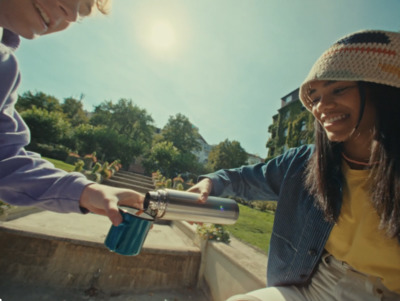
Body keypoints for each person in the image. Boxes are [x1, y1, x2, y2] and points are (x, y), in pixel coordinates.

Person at [188, 29, 400, 301]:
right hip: (315, 286)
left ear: (380, 90)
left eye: (339, 88)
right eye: (315, 98)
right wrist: (211, 182)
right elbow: (243, 179)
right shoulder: (303, 163)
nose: (323, 106)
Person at [0, 0, 144, 227]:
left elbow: (5, 161)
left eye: (84, 12)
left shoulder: (5, 69)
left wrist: (88, 191)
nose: (72, 15)